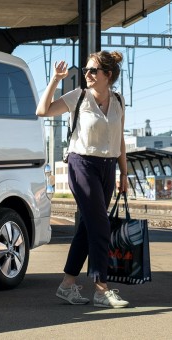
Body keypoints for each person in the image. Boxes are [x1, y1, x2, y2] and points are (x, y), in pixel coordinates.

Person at [36, 50, 130, 308]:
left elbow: (119, 140)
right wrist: (55, 79)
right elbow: (42, 110)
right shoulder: (78, 97)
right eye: (87, 70)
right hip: (82, 164)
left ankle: (67, 285)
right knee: (100, 226)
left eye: (93, 70)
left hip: (109, 167)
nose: (87, 74)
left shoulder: (119, 101)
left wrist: (124, 173)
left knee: (88, 228)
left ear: (107, 75)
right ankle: (101, 289)